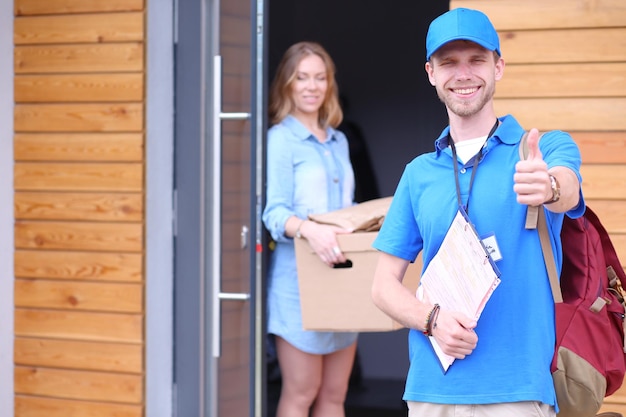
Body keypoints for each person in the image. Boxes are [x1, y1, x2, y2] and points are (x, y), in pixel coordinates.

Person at [371, 8, 584, 417]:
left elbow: (567, 189)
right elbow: (382, 286)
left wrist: (550, 186)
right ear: (431, 72)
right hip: (433, 390)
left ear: (498, 66)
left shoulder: (542, 149)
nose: (463, 74)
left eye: (476, 60)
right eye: (449, 62)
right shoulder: (418, 174)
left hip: (519, 390)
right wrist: (431, 319)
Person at [262, 41, 358, 417]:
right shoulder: (280, 140)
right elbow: (273, 214)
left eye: (320, 77)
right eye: (302, 77)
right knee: (302, 392)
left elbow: (348, 209)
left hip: (342, 278)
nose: (311, 86)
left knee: (335, 394)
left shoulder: (339, 141)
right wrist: (311, 230)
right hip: (298, 284)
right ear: (287, 83)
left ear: (329, 84)